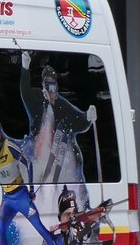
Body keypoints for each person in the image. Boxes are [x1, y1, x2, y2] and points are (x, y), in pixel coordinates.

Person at [18, 51, 96, 187]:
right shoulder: (36, 98)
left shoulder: (61, 104)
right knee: (26, 152)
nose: (52, 92)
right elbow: (25, 91)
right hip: (38, 148)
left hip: (57, 151)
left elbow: (78, 121)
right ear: (43, 86)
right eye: (49, 87)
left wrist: (87, 116)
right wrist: (25, 68)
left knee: (72, 156)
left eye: (54, 87)